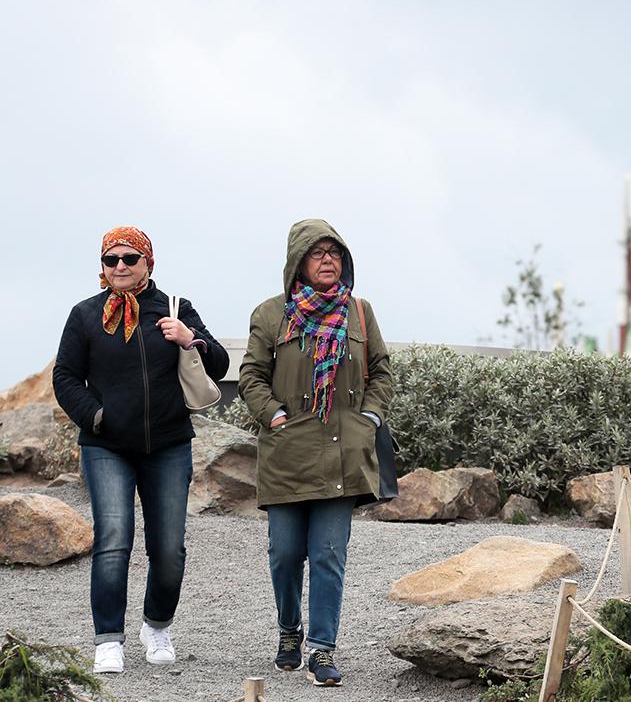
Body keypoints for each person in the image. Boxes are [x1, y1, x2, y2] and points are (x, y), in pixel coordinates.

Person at [53, 226, 229, 674]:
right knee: (113, 541)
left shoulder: (175, 308)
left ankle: (157, 625)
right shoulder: (85, 315)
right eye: (111, 260)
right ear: (102, 268)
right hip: (106, 446)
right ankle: (108, 638)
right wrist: (96, 416)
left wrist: (190, 339)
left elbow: (221, 365)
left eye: (130, 258)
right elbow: (66, 377)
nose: (120, 267)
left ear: (148, 262)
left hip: (168, 445)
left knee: (169, 549)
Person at [238, 219, 393, 687]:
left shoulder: (359, 313)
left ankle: (322, 649)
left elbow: (382, 371)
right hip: (287, 453)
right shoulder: (271, 314)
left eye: (335, 252)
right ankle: (290, 631)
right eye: (317, 252)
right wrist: (275, 417)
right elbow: (250, 376)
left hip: (341, 454)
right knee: (285, 554)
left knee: (328, 554)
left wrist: (370, 417)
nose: (328, 259)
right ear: (297, 263)